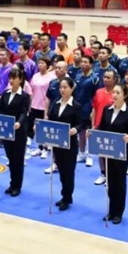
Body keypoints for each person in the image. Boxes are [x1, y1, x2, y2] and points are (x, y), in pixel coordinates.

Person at [94, 84, 128, 225]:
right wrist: (93, 132)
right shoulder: (107, 109)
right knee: (110, 182)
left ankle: (119, 212)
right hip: (108, 151)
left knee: (120, 183)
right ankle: (111, 210)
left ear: (124, 95)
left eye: (118, 93)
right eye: (113, 92)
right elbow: (101, 127)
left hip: (121, 152)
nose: (114, 95)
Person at [45, 77, 82, 211]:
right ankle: (64, 195)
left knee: (68, 172)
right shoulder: (56, 103)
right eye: (61, 87)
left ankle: (67, 197)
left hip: (70, 144)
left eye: (65, 87)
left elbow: (81, 123)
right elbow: (50, 119)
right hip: (57, 142)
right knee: (61, 170)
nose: (62, 90)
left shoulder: (76, 106)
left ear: (72, 89)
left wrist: (75, 130)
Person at [0, 68, 31, 196]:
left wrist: (19, 123)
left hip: (19, 132)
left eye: (14, 78)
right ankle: (12, 183)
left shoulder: (24, 96)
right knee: (10, 158)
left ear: (20, 80)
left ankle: (17, 185)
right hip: (7, 131)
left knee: (18, 160)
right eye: (10, 78)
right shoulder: (6, 93)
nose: (11, 80)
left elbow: (24, 112)